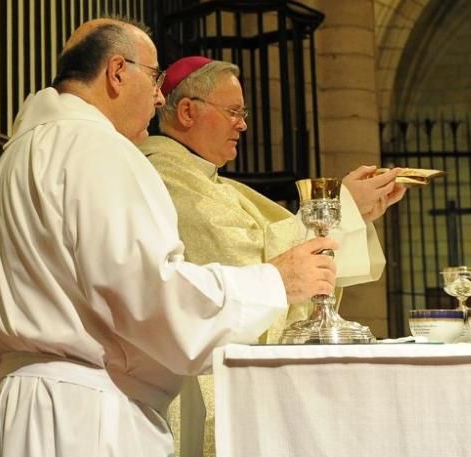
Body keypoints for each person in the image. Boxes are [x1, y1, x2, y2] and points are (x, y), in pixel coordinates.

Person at [0, 18, 342, 457]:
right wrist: (275, 282)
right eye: (153, 78)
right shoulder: (99, 149)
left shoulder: (20, 151)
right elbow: (154, 301)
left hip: (22, 409)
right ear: (116, 72)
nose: (159, 96)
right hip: (86, 421)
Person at [139, 55, 406, 457]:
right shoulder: (164, 174)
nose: (243, 124)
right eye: (233, 112)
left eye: (243, 113)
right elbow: (240, 259)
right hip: (191, 378)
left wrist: (349, 213)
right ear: (189, 111)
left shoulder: (214, 182)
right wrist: (340, 207)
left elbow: (273, 242)